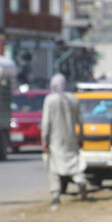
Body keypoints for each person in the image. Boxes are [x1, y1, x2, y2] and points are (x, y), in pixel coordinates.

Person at [41, 73, 87, 208]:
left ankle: (55, 194)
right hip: (71, 139)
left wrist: (44, 140)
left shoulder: (50, 99)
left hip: (55, 140)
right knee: (75, 163)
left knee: (53, 167)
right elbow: (81, 121)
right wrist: (81, 138)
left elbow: (46, 123)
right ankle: (81, 182)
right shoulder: (73, 99)